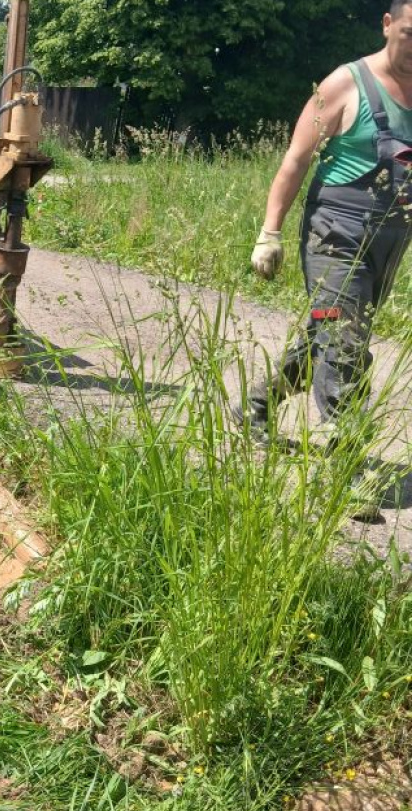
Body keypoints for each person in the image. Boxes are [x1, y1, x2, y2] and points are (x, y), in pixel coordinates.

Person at [243, 0, 412, 515]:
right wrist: (269, 232)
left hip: (390, 241)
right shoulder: (344, 83)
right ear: (388, 25)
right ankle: (348, 471)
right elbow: (296, 158)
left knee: (329, 335)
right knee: (344, 343)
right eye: (411, 32)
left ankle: (258, 404)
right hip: (334, 234)